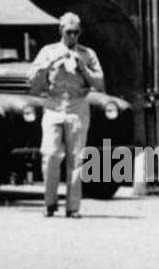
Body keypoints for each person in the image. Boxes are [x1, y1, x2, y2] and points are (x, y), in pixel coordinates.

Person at [30, 12, 104, 218]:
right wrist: (49, 64)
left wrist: (84, 69)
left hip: (77, 106)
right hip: (54, 105)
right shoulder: (48, 51)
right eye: (69, 32)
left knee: (76, 158)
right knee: (50, 155)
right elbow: (33, 84)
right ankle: (49, 203)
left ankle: (73, 207)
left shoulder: (87, 54)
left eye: (76, 32)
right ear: (61, 30)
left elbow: (100, 83)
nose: (73, 36)